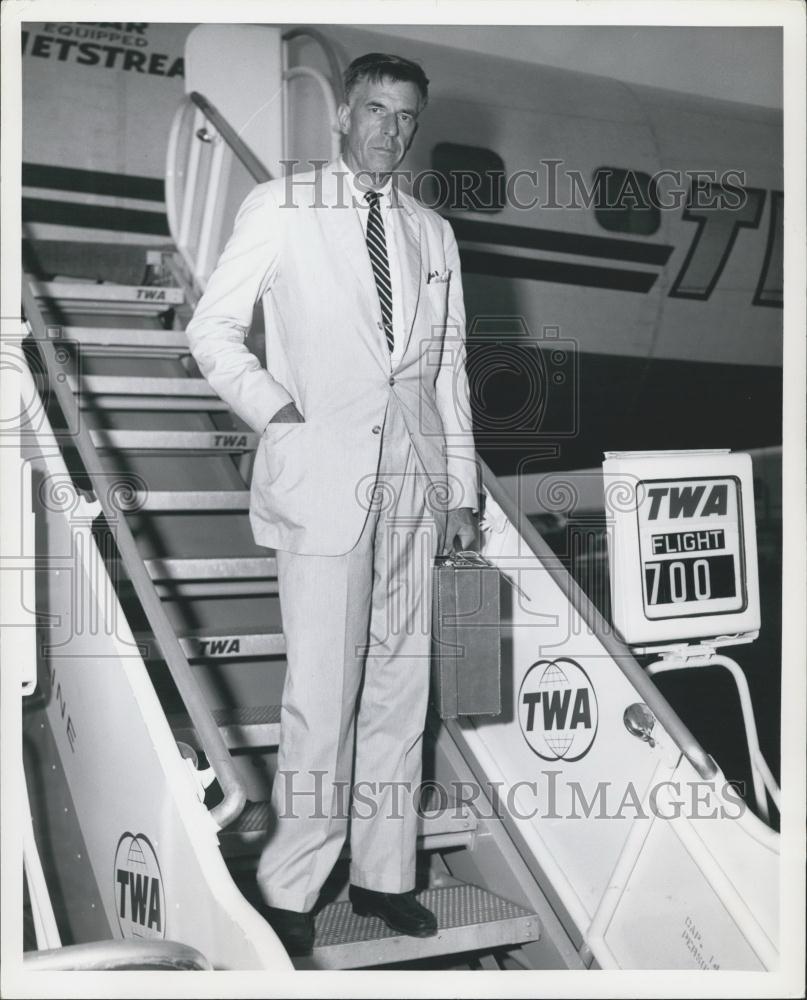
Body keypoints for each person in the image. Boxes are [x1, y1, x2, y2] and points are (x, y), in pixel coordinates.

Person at [185, 52, 479, 956]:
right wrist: (278, 413)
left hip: (413, 491)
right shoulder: (281, 207)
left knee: (403, 692)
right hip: (322, 481)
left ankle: (385, 875)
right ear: (342, 115)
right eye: (377, 111)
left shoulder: (432, 234)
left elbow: (445, 371)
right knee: (323, 696)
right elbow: (212, 329)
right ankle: (292, 880)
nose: (391, 130)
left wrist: (459, 492)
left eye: (406, 118)